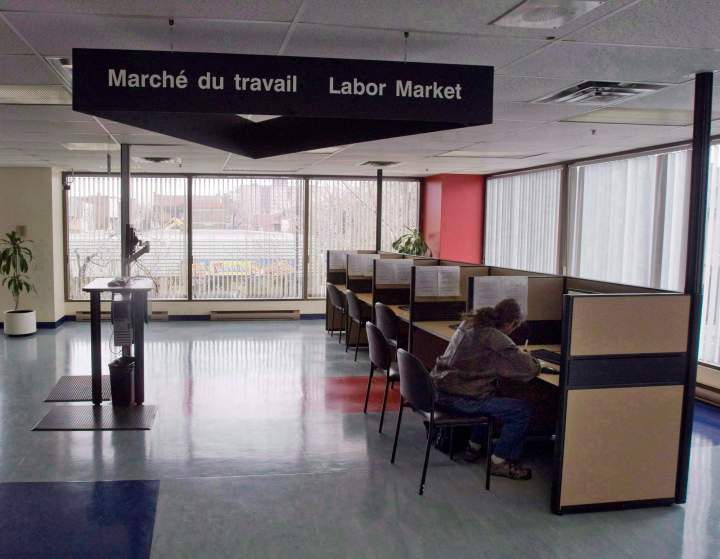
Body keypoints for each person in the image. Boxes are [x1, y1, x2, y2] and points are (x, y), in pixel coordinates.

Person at [430, 298, 540, 480]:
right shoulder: (494, 337)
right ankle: (499, 462)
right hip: (460, 399)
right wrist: (532, 359)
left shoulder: (469, 324)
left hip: (438, 391)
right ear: (512, 323)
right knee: (521, 410)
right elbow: (529, 369)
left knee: (491, 392)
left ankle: (474, 447)